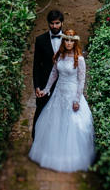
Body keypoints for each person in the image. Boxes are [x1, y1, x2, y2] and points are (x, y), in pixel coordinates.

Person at [27, 29, 96, 172]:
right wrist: (45, 90)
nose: (69, 43)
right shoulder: (60, 56)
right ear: (63, 41)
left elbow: (81, 81)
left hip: (72, 95)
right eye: (66, 40)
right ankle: (53, 154)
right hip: (58, 93)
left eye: (72, 40)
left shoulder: (80, 59)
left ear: (75, 42)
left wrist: (77, 100)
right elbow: (53, 74)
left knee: (73, 125)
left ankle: (71, 158)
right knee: (54, 123)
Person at [32, 10, 64, 138]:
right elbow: (36, 66)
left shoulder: (69, 39)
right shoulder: (40, 40)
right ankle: (36, 139)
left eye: (57, 23)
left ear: (62, 23)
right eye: (52, 23)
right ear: (48, 24)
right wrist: (37, 86)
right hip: (45, 83)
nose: (55, 26)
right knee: (40, 112)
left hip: (63, 83)